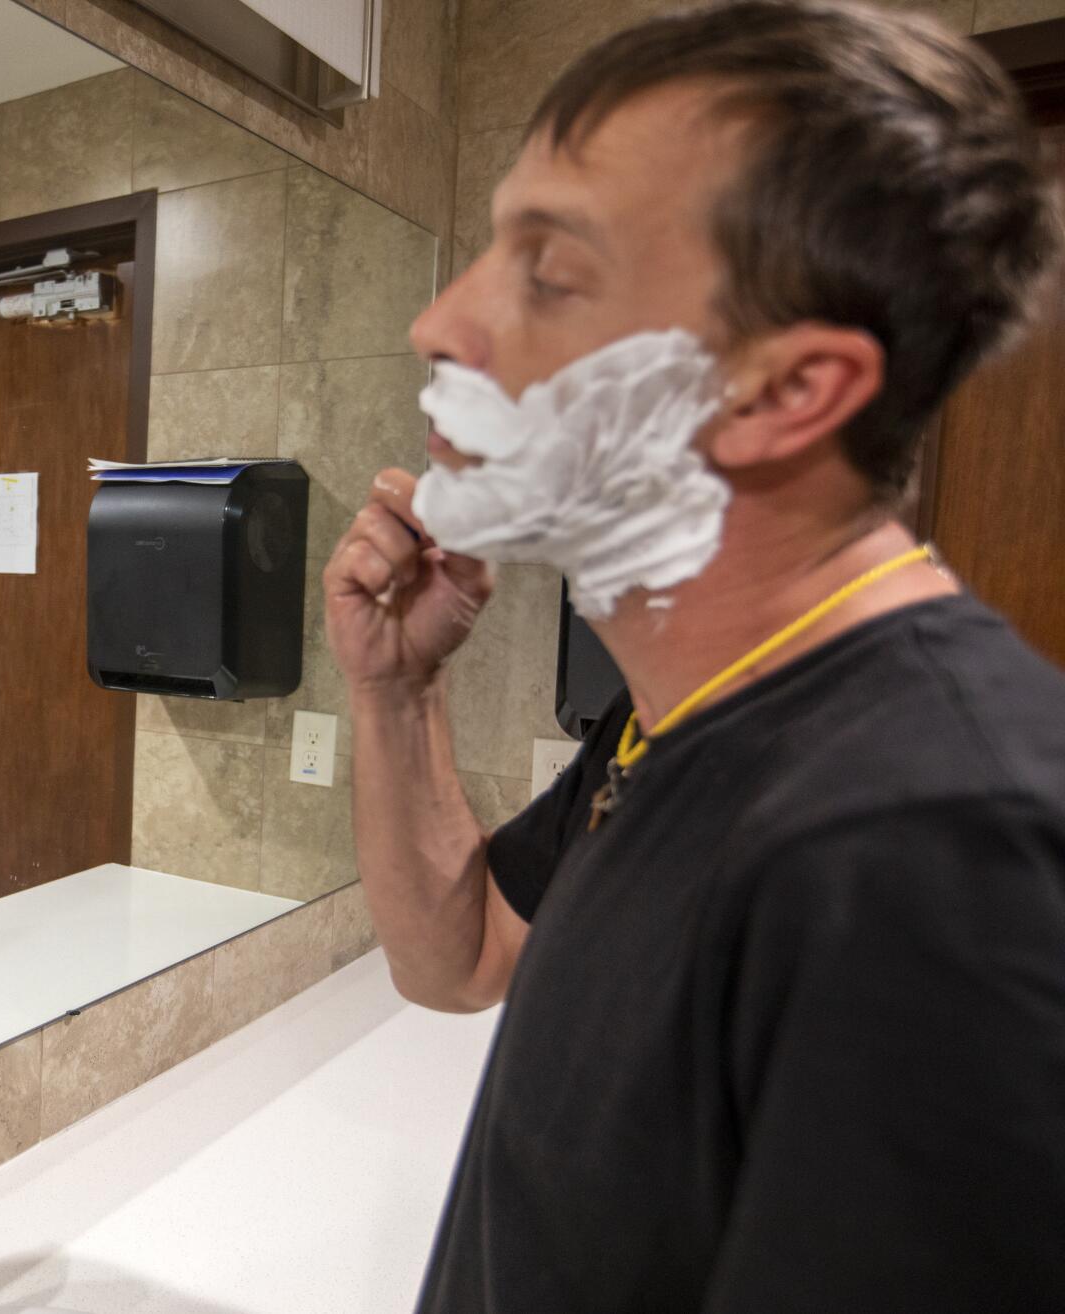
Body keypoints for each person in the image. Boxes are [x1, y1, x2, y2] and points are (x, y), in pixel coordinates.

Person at [324, 2, 1065, 1309]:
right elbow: (463, 960)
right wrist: (396, 692)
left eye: (548, 272)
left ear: (786, 392)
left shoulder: (939, 849)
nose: (438, 323)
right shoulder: (686, 716)